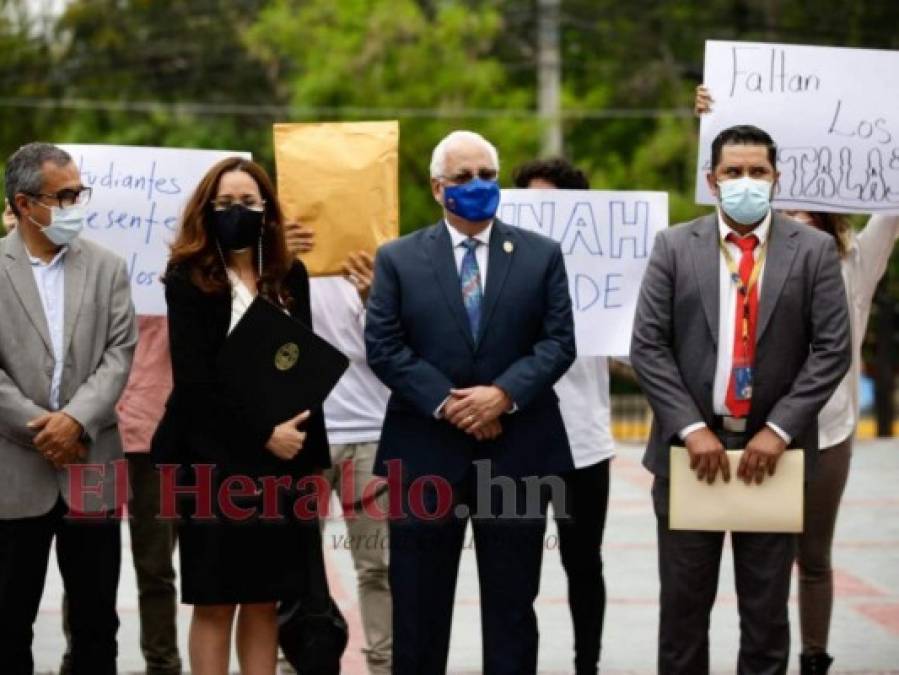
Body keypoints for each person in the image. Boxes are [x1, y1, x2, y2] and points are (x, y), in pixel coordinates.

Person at [630, 124, 851, 674]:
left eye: (758, 172)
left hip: (770, 460)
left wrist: (777, 432)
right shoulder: (675, 246)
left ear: (776, 179)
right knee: (682, 618)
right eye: (733, 172)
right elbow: (648, 346)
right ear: (712, 180)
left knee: (766, 619)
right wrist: (689, 427)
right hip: (689, 459)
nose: (745, 182)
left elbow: (831, 350)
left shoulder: (815, 251)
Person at [696, 85, 899, 674]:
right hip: (755, 427)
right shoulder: (742, 260)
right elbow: (721, 187)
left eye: (809, 212)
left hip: (827, 431)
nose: (796, 221)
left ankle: (814, 656)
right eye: (787, 212)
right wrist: (713, 118)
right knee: (757, 559)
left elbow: (890, 207)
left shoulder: (855, 260)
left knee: (813, 554)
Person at [365, 130, 576, 674]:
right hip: (424, 454)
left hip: (518, 451)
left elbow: (558, 343)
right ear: (438, 189)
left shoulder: (541, 256)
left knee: (511, 606)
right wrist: (452, 404)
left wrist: (502, 396)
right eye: (462, 177)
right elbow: (384, 348)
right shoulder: (398, 259)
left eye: (486, 174)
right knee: (417, 607)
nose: (477, 185)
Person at [150, 157, 330, 675]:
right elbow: (195, 381)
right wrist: (263, 434)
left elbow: (303, 364)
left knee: (265, 599)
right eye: (226, 203)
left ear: (268, 211)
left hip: (283, 463)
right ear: (207, 210)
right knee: (214, 599)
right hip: (211, 459)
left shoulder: (289, 274)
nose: (238, 212)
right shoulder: (188, 278)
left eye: (249, 203)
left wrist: (294, 441)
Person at [0, 142, 138, 674]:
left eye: (80, 193)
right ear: (25, 203)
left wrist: (75, 420)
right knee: (10, 618)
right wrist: (42, 429)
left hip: (94, 460)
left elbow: (119, 353)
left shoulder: (108, 267)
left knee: (97, 623)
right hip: (15, 465)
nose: (76, 204)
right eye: (65, 196)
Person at [512, 157, 613, 675]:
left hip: (585, 444)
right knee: (517, 571)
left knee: (583, 564)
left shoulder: (604, 271)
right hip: (517, 442)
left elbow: (633, 352)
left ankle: (586, 665)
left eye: (548, 204)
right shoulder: (501, 270)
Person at [287, 222, 393, 675]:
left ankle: (386, 663)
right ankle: (291, 663)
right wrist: (275, 269)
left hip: (369, 434)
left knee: (379, 567)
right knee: (292, 569)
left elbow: (394, 350)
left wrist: (376, 299)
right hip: (301, 437)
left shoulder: (379, 261)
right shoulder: (277, 264)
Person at [60, 314, 182, 675]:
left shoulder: (178, 274)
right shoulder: (93, 273)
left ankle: (163, 663)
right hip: (95, 433)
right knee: (85, 566)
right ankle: (79, 655)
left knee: (156, 566)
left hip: (155, 435)